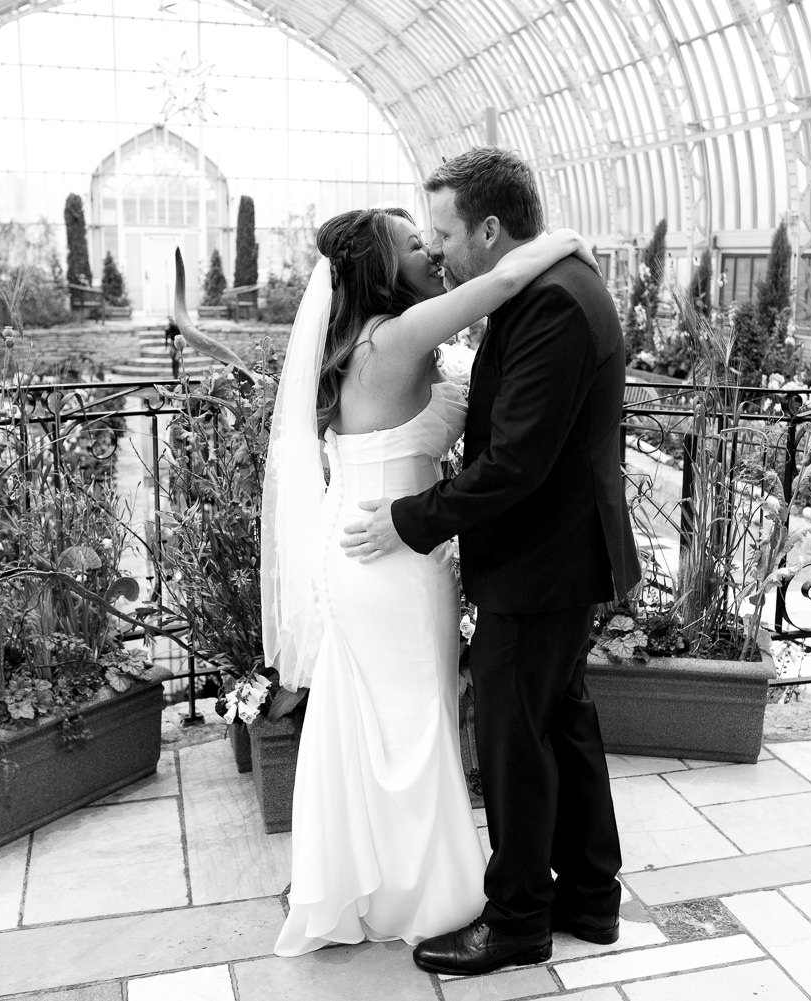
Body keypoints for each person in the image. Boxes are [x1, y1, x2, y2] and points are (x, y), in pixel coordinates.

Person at [340, 147, 642, 977]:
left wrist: (410, 521)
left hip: (542, 560)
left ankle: (517, 920)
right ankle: (590, 894)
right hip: (556, 556)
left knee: (513, 738)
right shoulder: (547, 288)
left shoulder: (552, 303)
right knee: (561, 722)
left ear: (490, 228)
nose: (436, 249)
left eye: (443, 232)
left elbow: (514, 464)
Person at [263, 205, 593, 957]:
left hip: (378, 549)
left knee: (380, 724)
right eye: (415, 244)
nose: (430, 251)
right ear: (380, 270)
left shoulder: (376, 343)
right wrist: (567, 244)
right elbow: (504, 280)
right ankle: (432, 896)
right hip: (386, 557)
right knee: (414, 726)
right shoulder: (395, 336)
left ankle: (375, 884)